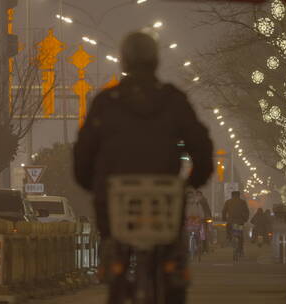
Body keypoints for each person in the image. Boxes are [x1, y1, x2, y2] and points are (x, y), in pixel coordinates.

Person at [74, 31, 213, 304]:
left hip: (115, 201)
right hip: (165, 199)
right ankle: (173, 271)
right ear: (155, 61)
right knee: (172, 258)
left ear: (123, 62)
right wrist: (191, 182)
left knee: (115, 253)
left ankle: (113, 263)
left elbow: (82, 154)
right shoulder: (173, 100)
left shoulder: (106, 102)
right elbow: (202, 146)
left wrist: (94, 185)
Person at [222, 191, 250, 255]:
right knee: (240, 235)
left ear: (232, 195)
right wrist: (245, 219)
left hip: (230, 221)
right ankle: (241, 250)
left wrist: (224, 218)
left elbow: (224, 211)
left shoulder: (228, 202)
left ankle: (229, 237)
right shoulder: (242, 202)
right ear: (239, 195)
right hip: (240, 222)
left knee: (228, 229)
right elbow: (246, 211)